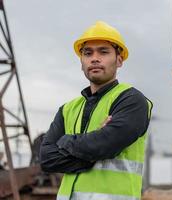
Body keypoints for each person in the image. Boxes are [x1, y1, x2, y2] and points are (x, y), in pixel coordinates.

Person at [40, 21, 153, 200]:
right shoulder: (68, 109)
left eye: (103, 51)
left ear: (119, 60)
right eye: (88, 53)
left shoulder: (132, 101)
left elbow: (104, 145)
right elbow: (46, 159)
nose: (94, 58)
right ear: (81, 61)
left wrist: (65, 141)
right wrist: (93, 148)